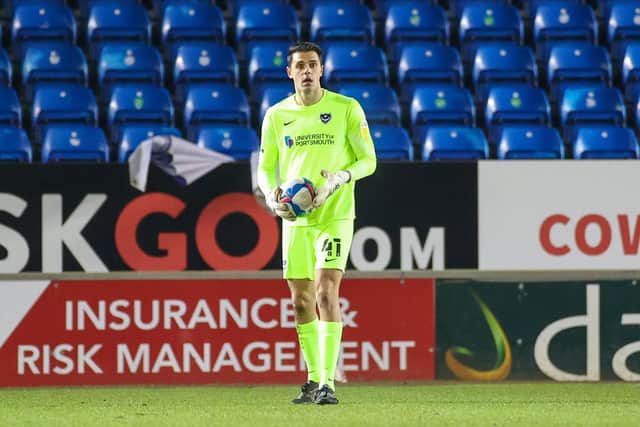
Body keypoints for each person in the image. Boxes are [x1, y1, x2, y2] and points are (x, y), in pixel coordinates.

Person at [257, 41, 377, 405]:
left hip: (335, 214)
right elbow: (265, 168)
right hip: (295, 220)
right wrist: (272, 196)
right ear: (289, 73)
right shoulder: (277, 115)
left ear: (322, 70)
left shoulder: (346, 109)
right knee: (300, 301)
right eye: (300, 66)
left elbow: (368, 161)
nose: (307, 71)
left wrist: (339, 178)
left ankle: (328, 383)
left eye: (313, 64)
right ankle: (313, 380)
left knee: (327, 292)